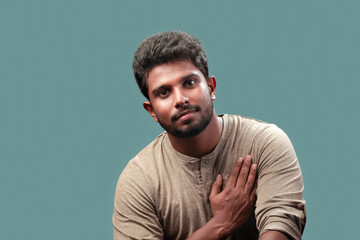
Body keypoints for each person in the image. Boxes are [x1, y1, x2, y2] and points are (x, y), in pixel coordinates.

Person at [112, 31, 306, 240]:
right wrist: (220, 224)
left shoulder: (265, 143)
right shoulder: (139, 180)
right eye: (164, 92)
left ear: (211, 87)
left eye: (189, 83)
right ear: (151, 110)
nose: (181, 99)